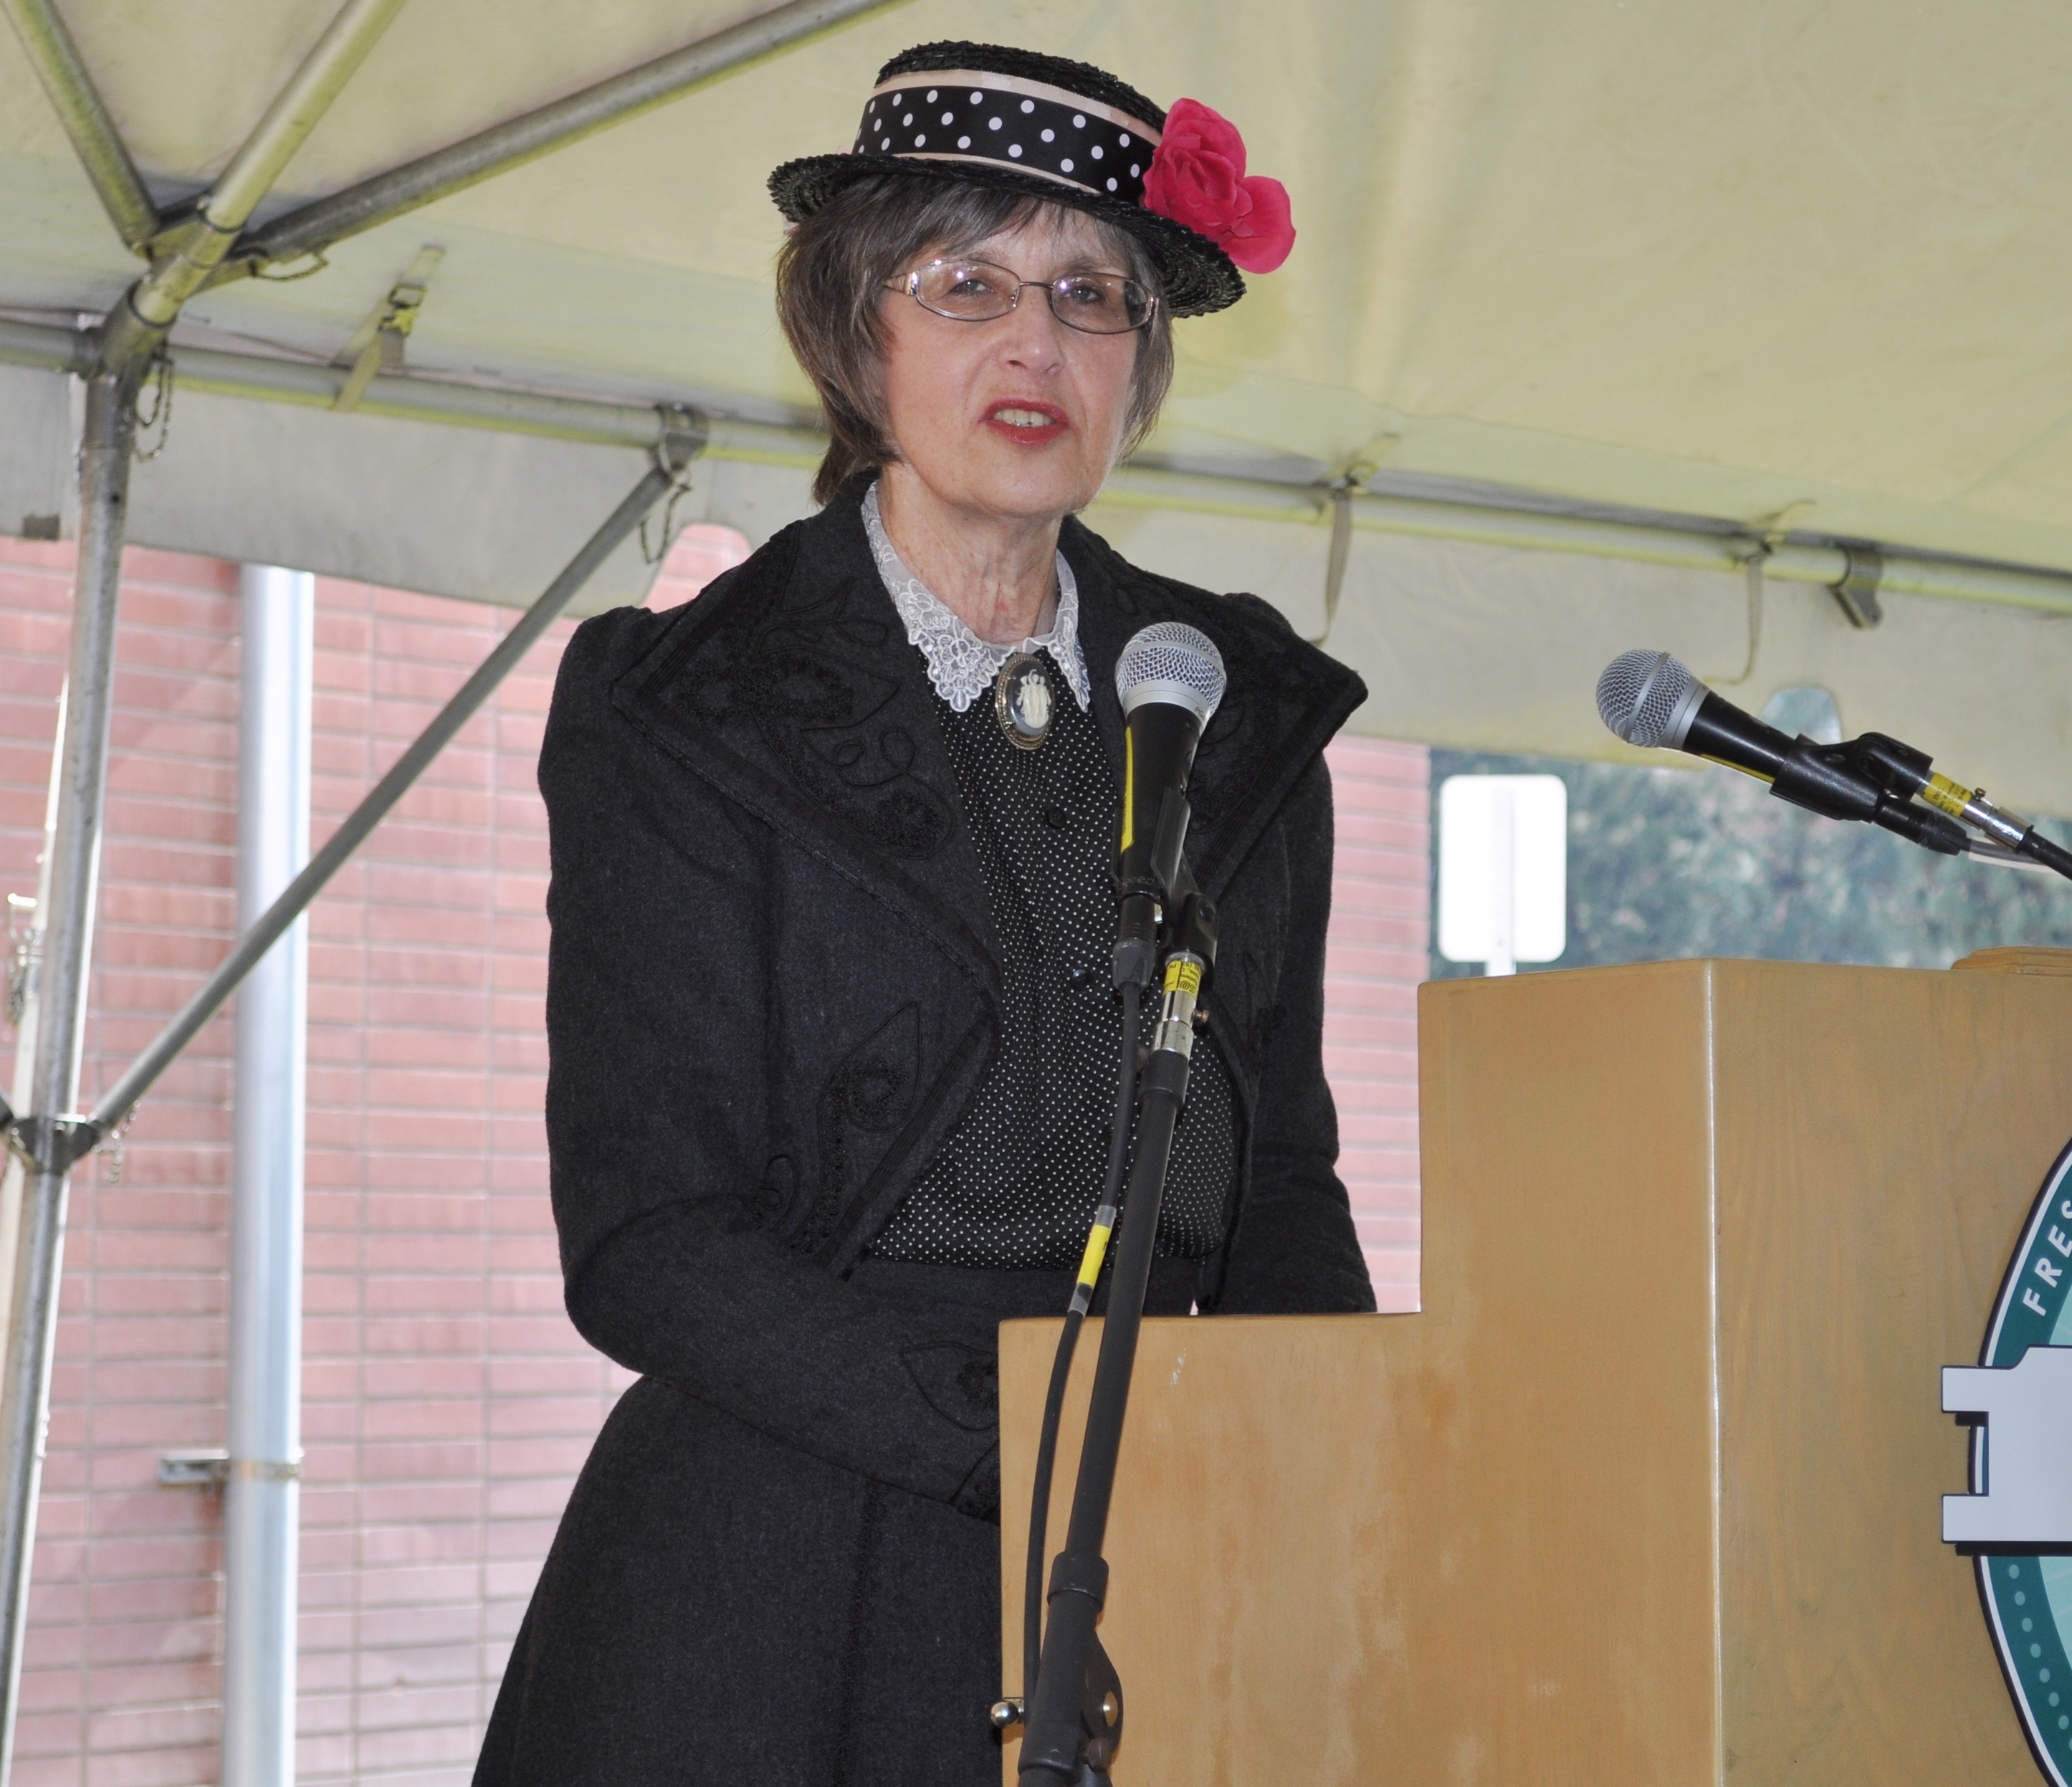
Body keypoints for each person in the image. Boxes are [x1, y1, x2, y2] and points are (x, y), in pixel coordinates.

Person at [474, 40, 1374, 1787]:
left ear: (1141, 363)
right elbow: (647, 1234)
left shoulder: (1237, 706)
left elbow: (1277, 1178)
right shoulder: (687, 704)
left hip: (1166, 1531)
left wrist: (1325, 1461)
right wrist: (1026, 1442)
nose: (1035, 344)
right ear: (854, 333)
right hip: (783, 1563)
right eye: (966, 284)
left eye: (1090, 294)